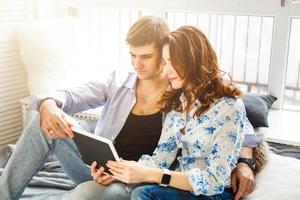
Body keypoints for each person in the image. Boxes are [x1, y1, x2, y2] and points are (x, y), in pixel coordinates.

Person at [0, 16, 256, 200]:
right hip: (101, 168)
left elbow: (237, 123)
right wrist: (48, 104)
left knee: (100, 195)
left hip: (137, 178)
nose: (137, 64)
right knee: (41, 122)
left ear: (166, 52)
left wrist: (244, 162)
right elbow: (70, 95)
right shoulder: (118, 82)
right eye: (132, 55)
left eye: (146, 57)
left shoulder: (182, 92)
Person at [106, 25, 247, 200]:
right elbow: (161, 158)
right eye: (165, 62)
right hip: (178, 188)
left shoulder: (229, 108)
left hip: (213, 193)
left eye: (174, 61)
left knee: (143, 194)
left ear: (194, 59)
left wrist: (156, 176)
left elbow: (215, 180)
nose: (167, 70)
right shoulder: (178, 103)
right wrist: (118, 171)